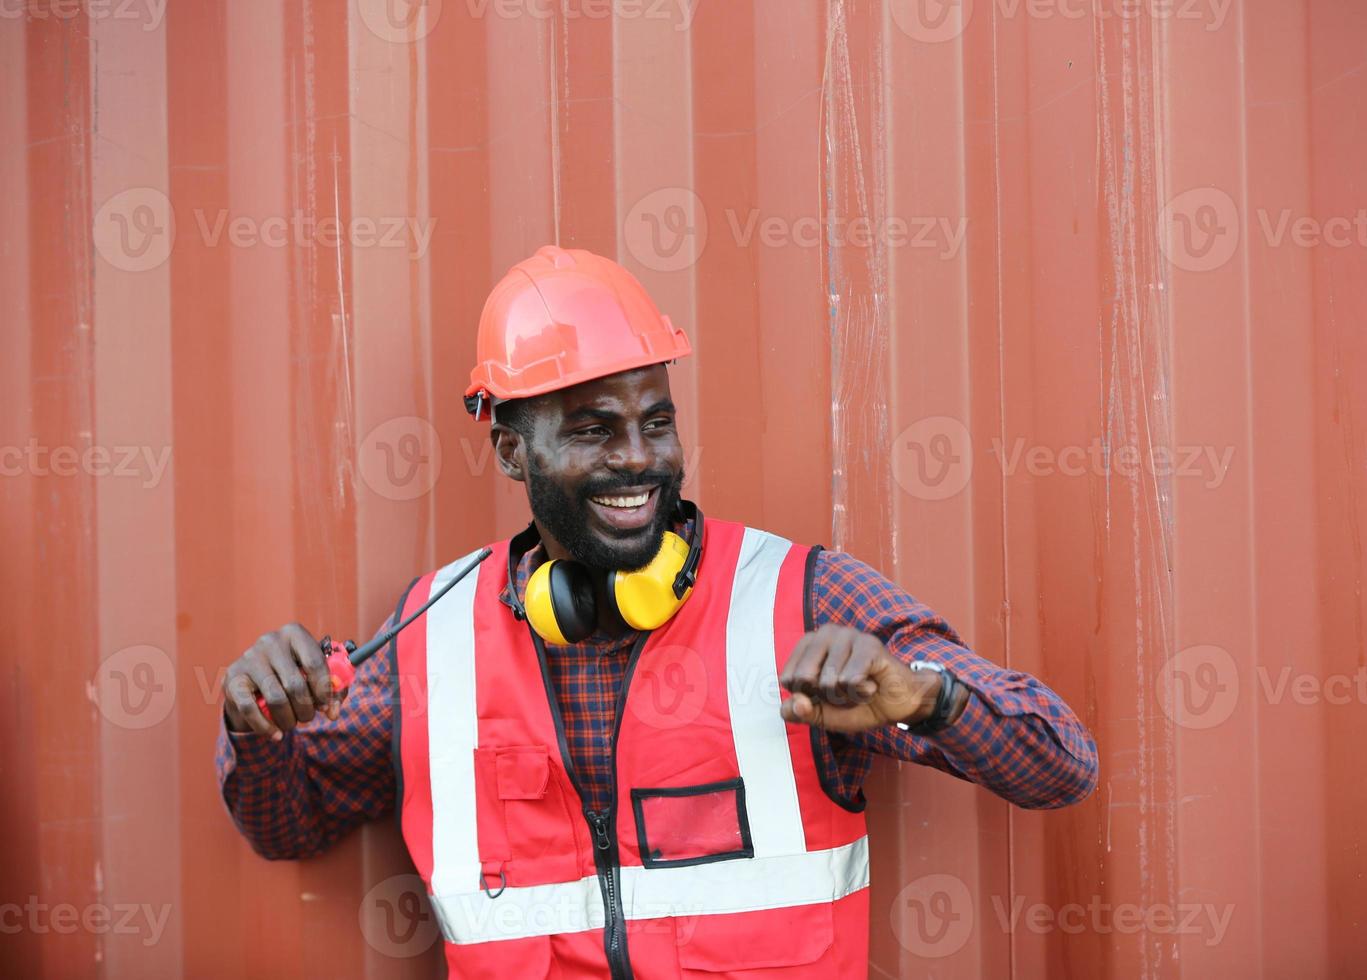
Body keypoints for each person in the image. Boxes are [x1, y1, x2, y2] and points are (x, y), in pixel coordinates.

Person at [215, 245, 1097, 978]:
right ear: (515, 454)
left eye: (657, 422)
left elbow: (1060, 763)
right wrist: (255, 726)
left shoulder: (799, 598)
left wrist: (923, 698)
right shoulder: (434, 638)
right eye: (594, 429)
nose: (640, 460)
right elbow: (286, 825)